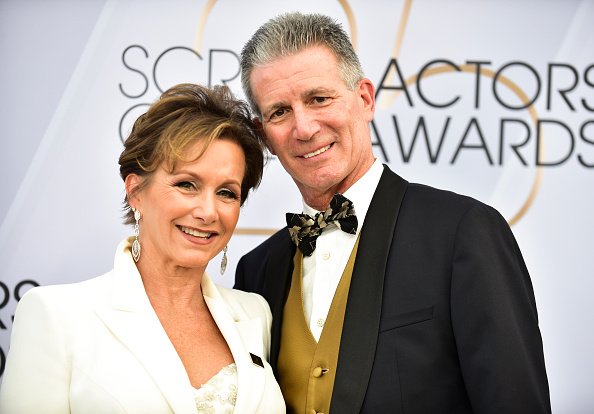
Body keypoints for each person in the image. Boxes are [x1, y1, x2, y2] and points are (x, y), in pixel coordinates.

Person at [234, 12, 551, 414]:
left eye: (319, 98)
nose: (304, 128)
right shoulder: (257, 269)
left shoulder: (462, 233)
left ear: (364, 99)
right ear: (265, 136)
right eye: (280, 111)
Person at [0, 83, 285, 413]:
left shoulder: (254, 314)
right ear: (136, 191)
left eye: (226, 193)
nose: (208, 212)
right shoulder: (56, 315)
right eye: (186, 185)